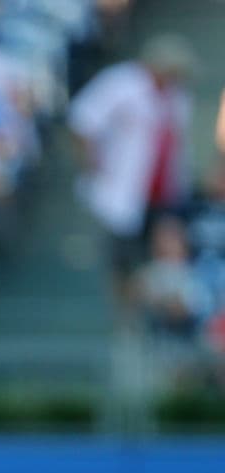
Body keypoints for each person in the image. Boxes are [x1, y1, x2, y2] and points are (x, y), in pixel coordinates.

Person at [68, 33, 197, 296]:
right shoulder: (122, 83)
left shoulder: (177, 95)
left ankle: (150, 310)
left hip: (164, 191)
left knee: (160, 258)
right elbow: (83, 119)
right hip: (123, 188)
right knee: (123, 259)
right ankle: (124, 311)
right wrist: (92, 165)